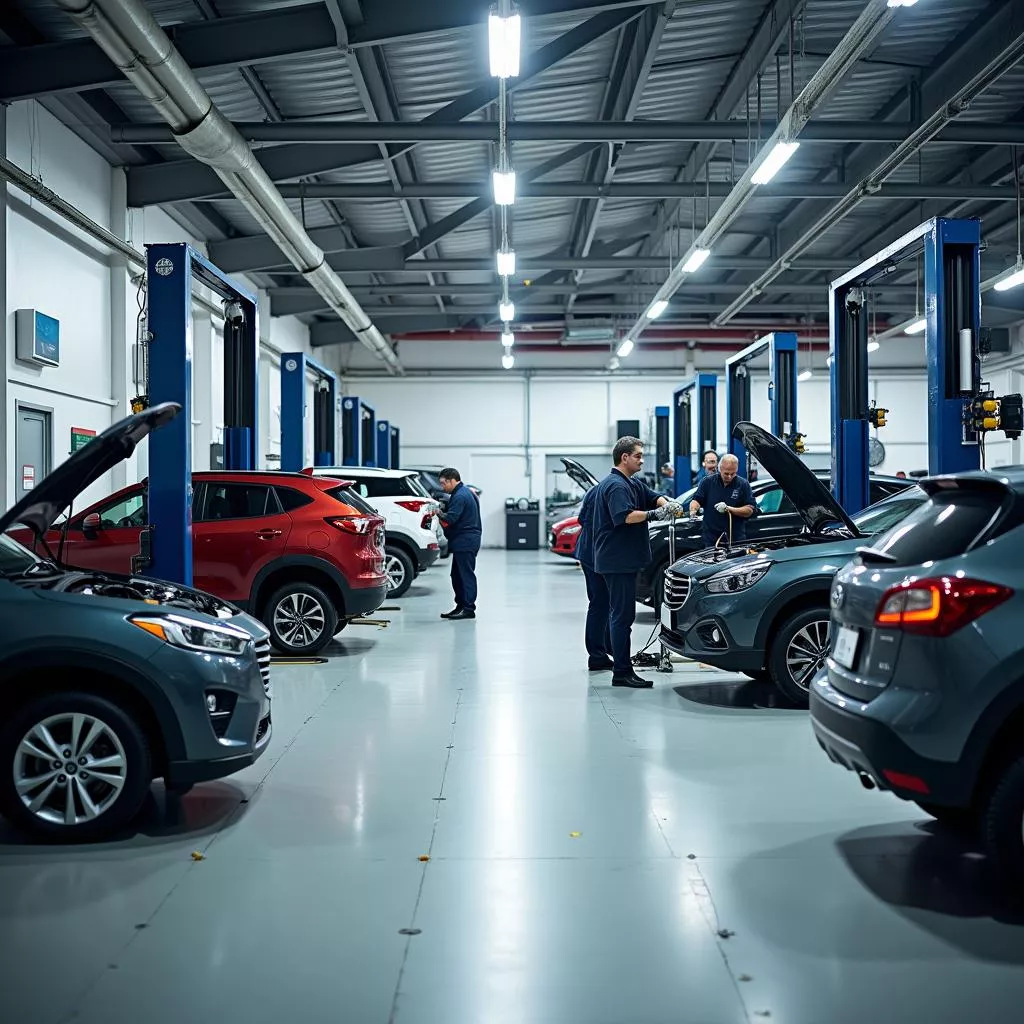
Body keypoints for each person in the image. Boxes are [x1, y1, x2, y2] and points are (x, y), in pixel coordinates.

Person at [591, 436, 680, 688]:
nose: (642, 460)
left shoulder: (630, 482)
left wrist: (668, 504)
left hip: (621, 560)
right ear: (625, 457)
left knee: (619, 615)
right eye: (638, 456)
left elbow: (653, 496)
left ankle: (620, 665)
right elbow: (625, 516)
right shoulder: (616, 486)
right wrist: (655, 514)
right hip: (617, 561)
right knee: (622, 617)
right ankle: (621, 672)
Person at [576, 486, 613, 672]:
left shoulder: (595, 490)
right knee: (601, 603)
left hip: (587, 552)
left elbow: (581, 519)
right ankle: (597, 656)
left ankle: (606, 648)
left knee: (601, 603)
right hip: (596, 555)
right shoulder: (616, 491)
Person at [439, 468, 481, 620]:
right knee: (457, 575)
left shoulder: (460, 496)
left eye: (443, 483)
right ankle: (461, 606)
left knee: (465, 575)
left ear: (452, 480)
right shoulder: (466, 492)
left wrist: (437, 513)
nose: (442, 487)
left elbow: (450, 519)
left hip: (465, 541)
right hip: (465, 540)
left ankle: (468, 608)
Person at [689, 453, 755, 549]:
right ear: (720, 469)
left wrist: (729, 509)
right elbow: (697, 500)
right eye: (726, 473)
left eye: (733, 473)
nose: (729, 477)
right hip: (711, 539)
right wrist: (693, 511)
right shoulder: (707, 482)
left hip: (735, 539)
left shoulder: (743, 484)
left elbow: (749, 510)